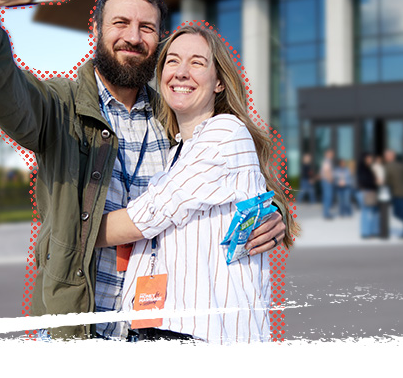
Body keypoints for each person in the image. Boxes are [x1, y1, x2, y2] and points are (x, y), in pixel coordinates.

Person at [0, 0, 286, 340]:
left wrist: (264, 214)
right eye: (120, 23)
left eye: (146, 28)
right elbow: (7, 94)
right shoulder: (59, 107)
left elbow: (220, 187)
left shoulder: (173, 118)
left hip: (147, 331)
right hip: (77, 327)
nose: (133, 37)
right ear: (96, 31)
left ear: (158, 39)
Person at [95, 26, 297, 343]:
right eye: (172, 61)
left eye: (197, 63)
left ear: (219, 81)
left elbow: (146, 216)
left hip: (205, 335)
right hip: (155, 327)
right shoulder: (174, 151)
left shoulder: (226, 133)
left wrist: (69, 234)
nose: (182, 73)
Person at [356, 152, 379, 238]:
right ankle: (365, 233)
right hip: (366, 192)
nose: (371, 159)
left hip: (370, 192)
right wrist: (375, 182)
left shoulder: (368, 168)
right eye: (369, 158)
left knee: (374, 212)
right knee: (366, 212)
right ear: (365, 158)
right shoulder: (363, 168)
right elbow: (365, 181)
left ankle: (373, 231)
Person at [320, 149, 335, 219]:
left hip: (326, 181)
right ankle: (327, 214)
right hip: (327, 181)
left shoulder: (327, 161)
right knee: (328, 197)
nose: (332, 155)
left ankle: (326, 213)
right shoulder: (327, 161)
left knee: (327, 197)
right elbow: (326, 171)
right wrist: (330, 179)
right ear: (327, 154)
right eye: (331, 154)